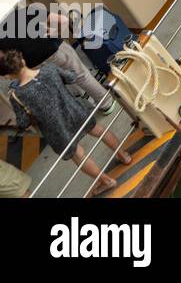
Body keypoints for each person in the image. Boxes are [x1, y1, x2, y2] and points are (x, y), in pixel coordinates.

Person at [1, 49, 130, 196]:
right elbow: (71, 77)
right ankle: (123, 155)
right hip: (74, 110)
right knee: (99, 130)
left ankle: (107, 181)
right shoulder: (48, 69)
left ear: (7, 76)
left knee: (78, 154)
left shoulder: (17, 96)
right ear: (22, 60)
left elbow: (23, 123)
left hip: (57, 130)